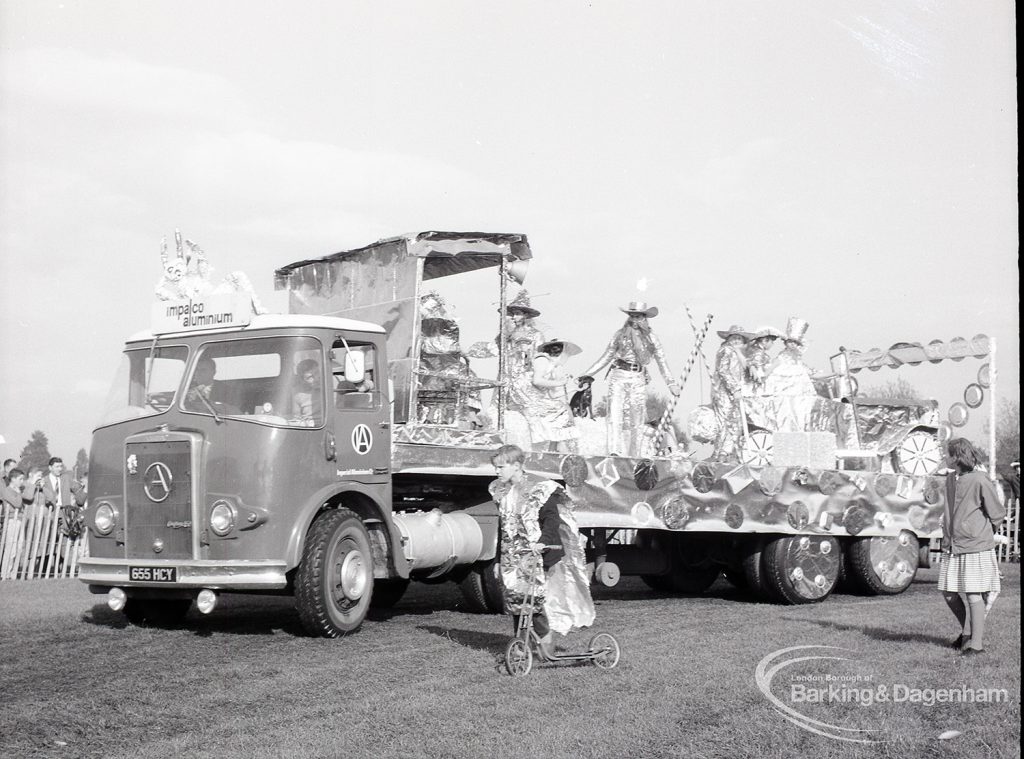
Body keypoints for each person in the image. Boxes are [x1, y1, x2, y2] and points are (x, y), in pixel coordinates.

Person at [489, 444, 595, 659]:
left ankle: (545, 641)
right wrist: (498, 560)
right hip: (516, 556)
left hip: (541, 554)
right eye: (496, 467)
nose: (497, 471)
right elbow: (504, 526)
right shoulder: (503, 492)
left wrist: (542, 542)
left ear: (517, 466)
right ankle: (522, 644)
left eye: (501, 467)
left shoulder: (541, 488)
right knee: (517, 598)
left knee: (534, 599)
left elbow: (551, 519)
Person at [579, 301, 680, 457]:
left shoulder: (651, 338)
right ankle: (614, 451)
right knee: (614, 414)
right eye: (631, 316)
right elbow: (607, 355)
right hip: (619, 375)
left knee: (637, 418)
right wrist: (588, 373)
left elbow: (662, 361)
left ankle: (635, 454)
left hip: (638, 378)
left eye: (637, 316)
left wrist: (671, 383)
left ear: (644, 318)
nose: (634, 320)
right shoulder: (620, 335)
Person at [939, 438, 1006, 656]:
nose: (945, 457)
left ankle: (976, 644)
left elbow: (997, 513)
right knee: (948, 591)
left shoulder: (979, 479)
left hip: (975, 546)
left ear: (957, 456)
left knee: (973, 595)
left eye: (948, 453)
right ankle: (967, 632)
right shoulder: (950, 479)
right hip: (953, 545)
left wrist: (979, 532)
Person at [523, 339, 582, 453]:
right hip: (529, 398)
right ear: (562, 353)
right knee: (562, 412)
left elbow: (553, 394)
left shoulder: (553, 366)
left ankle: (555, 449)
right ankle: (558, 449)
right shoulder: (542, 360)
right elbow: (537, 380)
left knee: (564, 408)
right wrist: (560, 383)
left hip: (542, 398)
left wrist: (574, 389)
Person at [765, 317, 817, 432]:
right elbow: (771, 368)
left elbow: (810, 375)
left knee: (800, 413)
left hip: (798, 394)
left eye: (795, 342)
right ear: (786, 342)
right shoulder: (782, 357)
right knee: (786, 415)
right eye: (790, 341)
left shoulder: (798, 361)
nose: (793, 344)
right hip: (784, 394)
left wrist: (835, 374)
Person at [710, 325, 751, 461]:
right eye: (734, 337)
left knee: (736, 423)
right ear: (728, 339)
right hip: (724, 392)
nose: (736, 341)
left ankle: (726, 453)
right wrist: (735, 389)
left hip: (736, 394)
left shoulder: (739, 354)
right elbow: (723, 371)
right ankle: (718, 455)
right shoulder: (726, 350)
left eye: (739, 338)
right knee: (725, 422)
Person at [1, 467, 40, 579]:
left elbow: (29, 497)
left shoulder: (17, 490)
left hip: (19, 521)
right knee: (11, 548)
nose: (22, 482)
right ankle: (5, 573)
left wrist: (32, 484)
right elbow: (17, 504)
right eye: (20, 479)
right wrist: (18, 493)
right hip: (12, 521)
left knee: (18, 548)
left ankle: (13, 573)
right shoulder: (7, 491)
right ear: (13, 479)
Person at [41, 456, 85, 534]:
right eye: (57, 467)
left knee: (65, 536)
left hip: (65, 512)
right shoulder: (44, 481)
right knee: (51, 535)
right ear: (50, 468)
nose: (60, 469)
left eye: (61, 466)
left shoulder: (66, 478)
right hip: (51, 513)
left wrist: (82, 496)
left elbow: (78, 490)